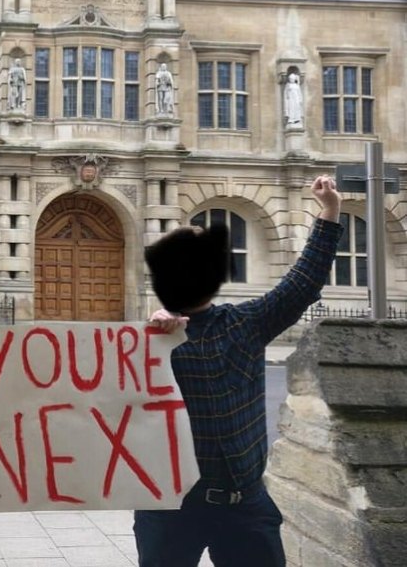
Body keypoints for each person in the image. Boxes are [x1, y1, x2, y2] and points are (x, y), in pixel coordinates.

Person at [136, 175, 342, 567]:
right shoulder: (145, 344)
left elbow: (303, 281)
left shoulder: (245, 323)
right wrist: (153, 335)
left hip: (244, 505)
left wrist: (329, 213)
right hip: (168, 509)